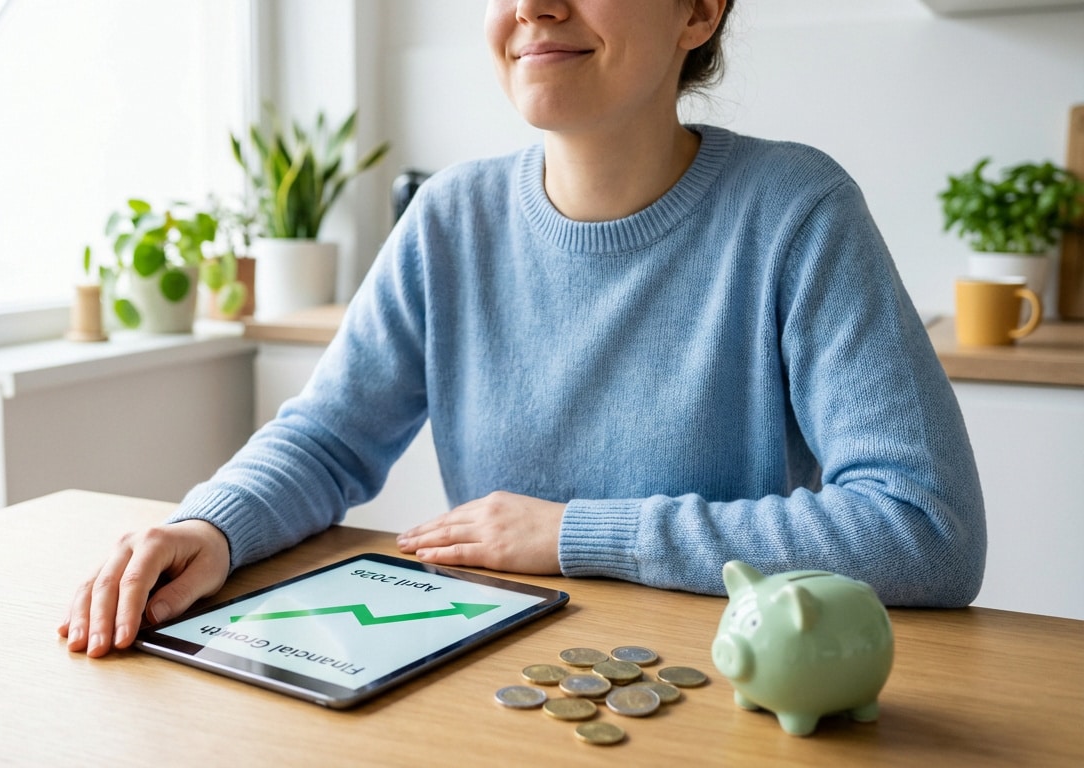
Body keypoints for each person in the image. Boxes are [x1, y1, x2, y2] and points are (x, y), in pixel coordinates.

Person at [61, 0, 987, 658]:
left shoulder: (798, 211)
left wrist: (579, 535)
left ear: (699, 12)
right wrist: (212, 527)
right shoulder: (449, 217)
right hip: (495, 685)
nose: (534, 7)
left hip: (714, 687)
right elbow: (327, 439)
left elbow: (925, 529)